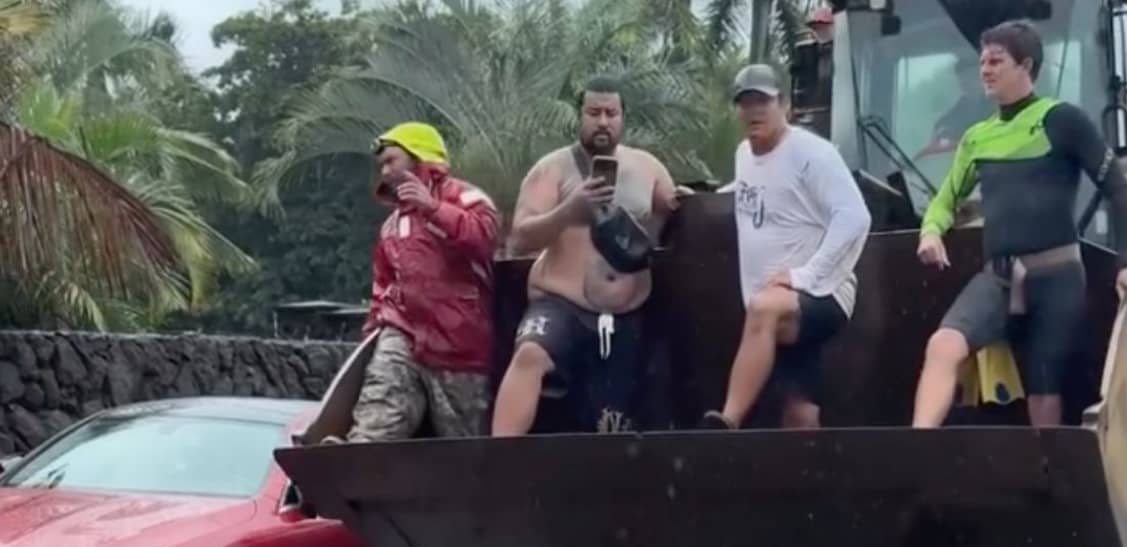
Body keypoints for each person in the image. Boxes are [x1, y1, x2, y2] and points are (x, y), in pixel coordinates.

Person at [911, 20, 1127, 430]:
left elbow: (1119, 191)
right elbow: (946, 199)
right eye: (982, 60)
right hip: (999, 278)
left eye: (995, 61)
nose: (984, 69)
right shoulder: (976, 137)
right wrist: (931, 231)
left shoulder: (1063, 120)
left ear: (1026, 65)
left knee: (1044, 389)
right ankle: (916, 451)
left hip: (1058, 277)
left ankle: (1046, 480)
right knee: (943, 345)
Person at [490, 76, 680, 437]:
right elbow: (521, 238)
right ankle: (501, 461)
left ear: (624, 117)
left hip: (629, 312)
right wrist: (568, 212)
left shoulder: (648, 167)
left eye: (611, 113)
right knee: (530, 355)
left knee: (614, 417)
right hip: (562, 303)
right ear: (580, 116)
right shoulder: (552, 169)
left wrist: (683, 200)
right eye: (594, 112)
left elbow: (675, 209)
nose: (603, 121)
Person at [702, 63, 871, 431]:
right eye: (746, 103)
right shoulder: (744, 155)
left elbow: (855, 217)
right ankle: (808, 482)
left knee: (764, 311)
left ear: (786, 105)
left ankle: (726, 421)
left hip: (823, 293)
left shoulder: (815, 154)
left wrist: (804, 276)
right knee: (800, 415)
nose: (754, 111)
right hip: (778, 302)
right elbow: (757, 188)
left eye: (763, 101)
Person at [343, 121, 499, 442]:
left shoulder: (466, 197)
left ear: (418, 158)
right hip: (404, 339)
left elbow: (486, 237)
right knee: (376, 420)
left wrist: (433, 209)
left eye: (392, 161)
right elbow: (383, 288)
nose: (385, 172)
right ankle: (357, 468)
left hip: (462, 350)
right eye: (381, 165)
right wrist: (373, 333)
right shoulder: (391, 227)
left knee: (466, 454)